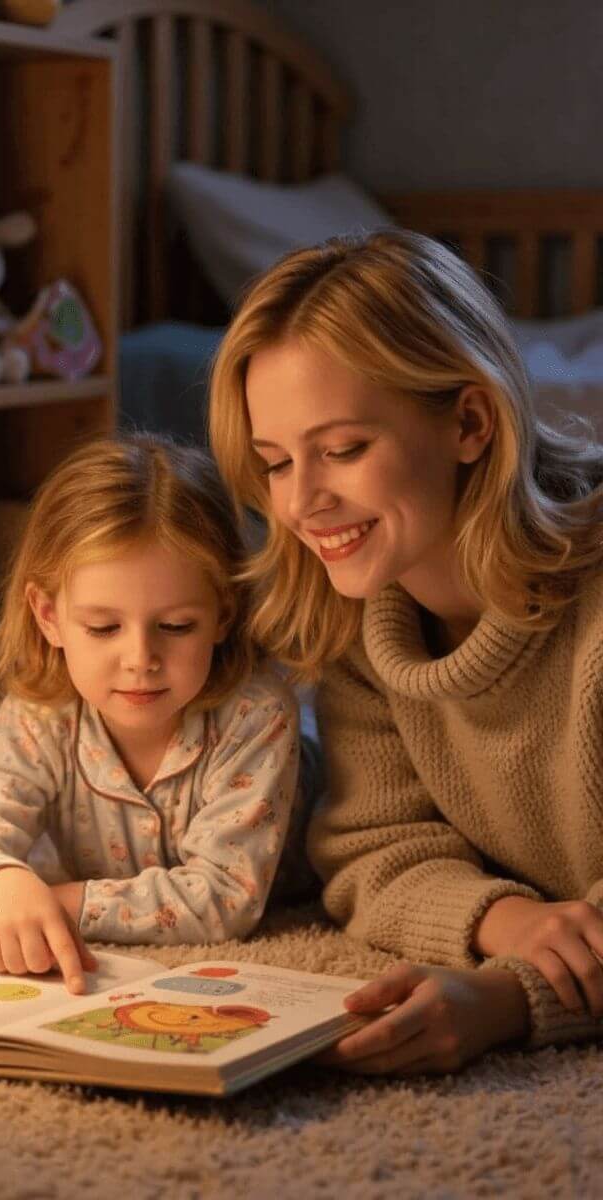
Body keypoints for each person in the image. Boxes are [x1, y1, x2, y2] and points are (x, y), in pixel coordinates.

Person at [207, 228, 603, 1074]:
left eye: (344, 449)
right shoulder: (368, 617)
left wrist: (507, 998)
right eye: (276, 463)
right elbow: (370, 848)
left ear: (469, 421)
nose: (303, 502)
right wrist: (508, 921)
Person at [0, 434, 305, 993]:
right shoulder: (41, 716)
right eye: (103, 628)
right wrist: (0, 886)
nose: (140, 660)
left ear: (222, 613)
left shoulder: (257, 714)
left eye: (175, 627)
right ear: (48, 617)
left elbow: (226, 899)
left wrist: (58, 901)